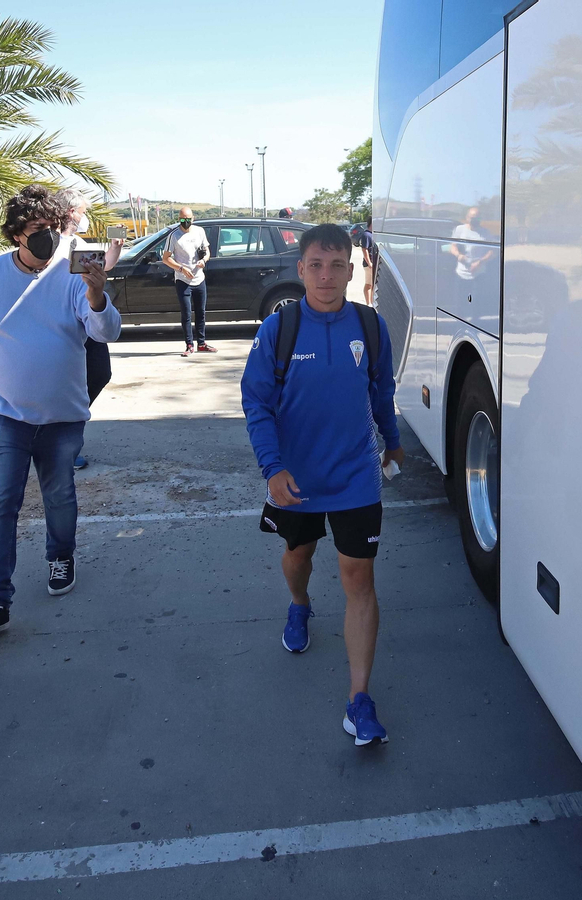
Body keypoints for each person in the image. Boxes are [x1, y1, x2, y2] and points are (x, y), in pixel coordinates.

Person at [0, 185, 120, 637]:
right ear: (15, 235)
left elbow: (105, 333)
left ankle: (60, 556)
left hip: (62, 417)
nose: (47, 239)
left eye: (53, 229)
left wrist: (96, 296)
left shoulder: (74, 275)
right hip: (5, 414)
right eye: (36, 231)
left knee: (60, 495)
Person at [240, 223, 405, 746]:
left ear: (352, 272)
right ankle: (299, 604)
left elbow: (382, 392)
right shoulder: (279, 329)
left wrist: (393, 442)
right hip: (297, 479)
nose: (326, 276)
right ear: (301, 269)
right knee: (299, 556)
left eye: (337, 266)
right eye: (316, 265)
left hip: (357, 476)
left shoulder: (370, 326)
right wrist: (273, 467)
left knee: (359, 579)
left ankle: (359, 701)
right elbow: (256, 403)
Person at [53, 190, 124, 471]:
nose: (84, 217)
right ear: (71, 212)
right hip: (65, 325)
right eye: (83, 212)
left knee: (99, 373)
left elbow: (98, 268)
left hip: (89, 319)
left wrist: (115, 248)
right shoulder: (50, 243)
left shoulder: (78, 242)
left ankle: (66, 436)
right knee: (70, 384)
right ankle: (63, 447)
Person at [162, 207, 214, 356]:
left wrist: (204, 260)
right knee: (186, 314)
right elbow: (166, 259)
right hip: (183, 280)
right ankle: (189, 344)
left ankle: (202, 343)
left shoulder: (199, 231)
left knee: (201, 312)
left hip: (199, 278)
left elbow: (207, 251)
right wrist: (180, 268)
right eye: (182, 219)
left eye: (188, 219)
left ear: (193, 218)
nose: (186, 222)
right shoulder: (174, 236)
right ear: (179, 219)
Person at [355, 218, 378, 306]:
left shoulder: (373, 235)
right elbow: (365, 250)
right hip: (369, 264)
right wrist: (369, 263)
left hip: (374, 263)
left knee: (373, 285)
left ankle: (372, 302)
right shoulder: (366, 235)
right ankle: (368, 303)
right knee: (369, 284)